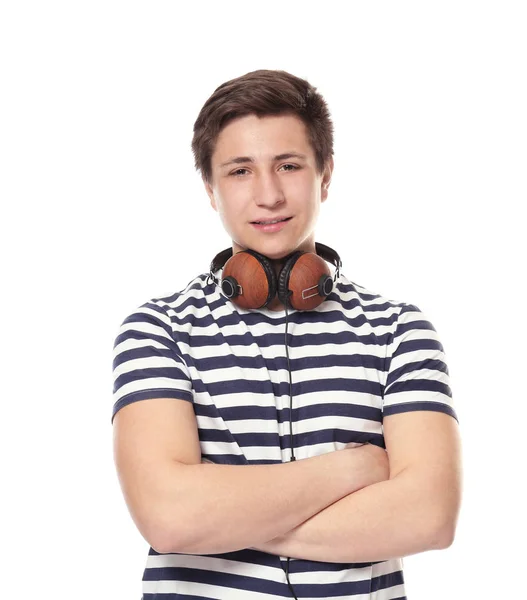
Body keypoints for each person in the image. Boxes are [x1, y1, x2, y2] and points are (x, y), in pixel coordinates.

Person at [111, 69, 462, 600]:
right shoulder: (159, 329)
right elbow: (170, 519)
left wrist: (225, 518)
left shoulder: (399, 330)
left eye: (289, 166)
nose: (269, 194)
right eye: (240, 171)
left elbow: (429, 516)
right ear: (210, 189)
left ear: (325, 175)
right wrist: (356, 468)